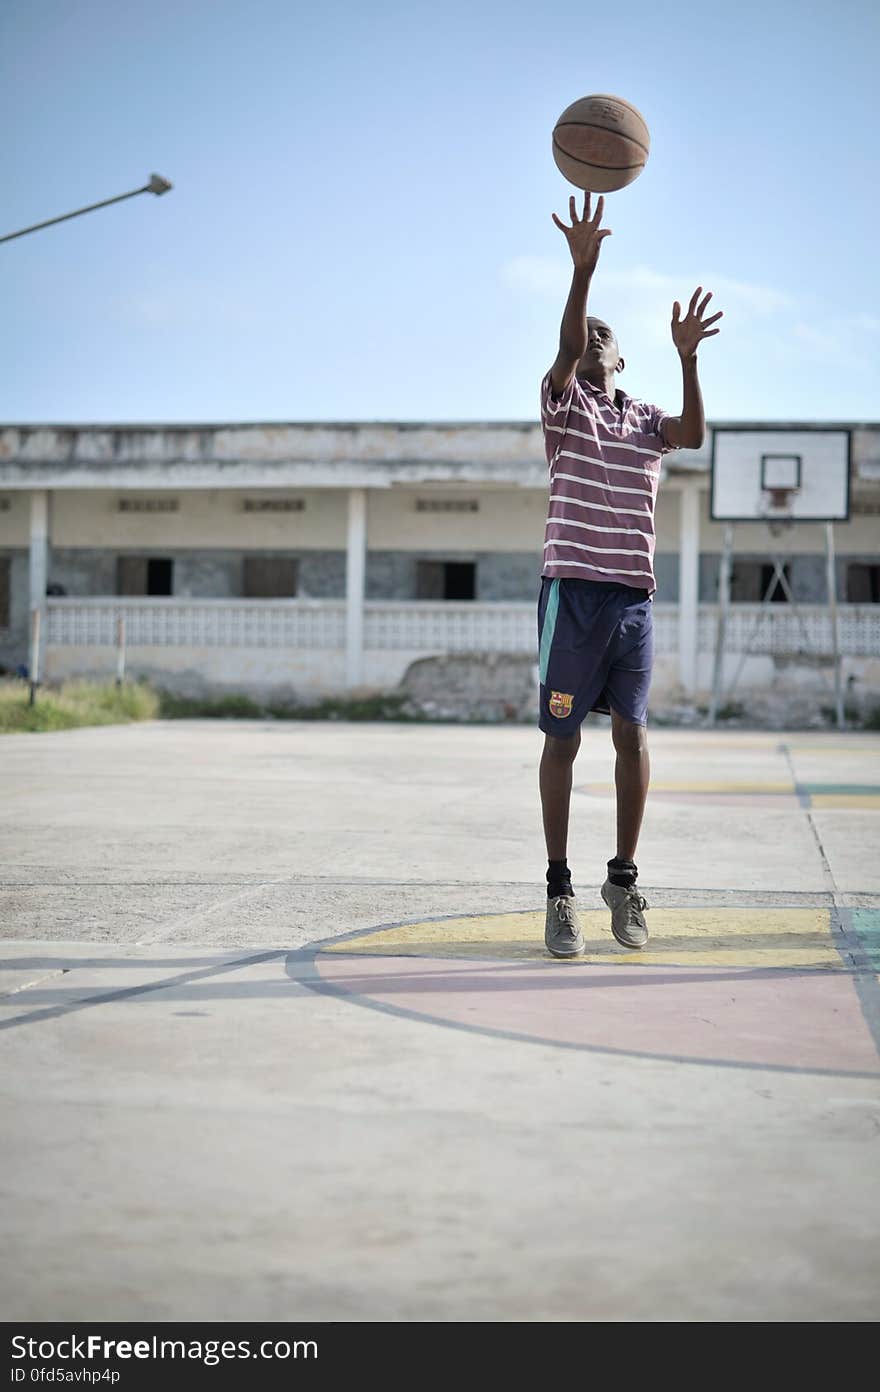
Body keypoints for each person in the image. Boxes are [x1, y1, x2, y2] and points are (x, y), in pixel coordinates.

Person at [539, 191, 722, 958]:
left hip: (632, 601)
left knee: (633, 735)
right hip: (573, 594)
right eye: (586, 336)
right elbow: (568, 338)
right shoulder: (564, 406)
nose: (593, 343)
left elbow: (693, 432)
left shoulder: (647, 416)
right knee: (562, 738)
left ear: (622, 359)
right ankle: (558, 890)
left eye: (604, 339)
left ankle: (623, 877)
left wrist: (687, 359)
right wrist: (583, 274)